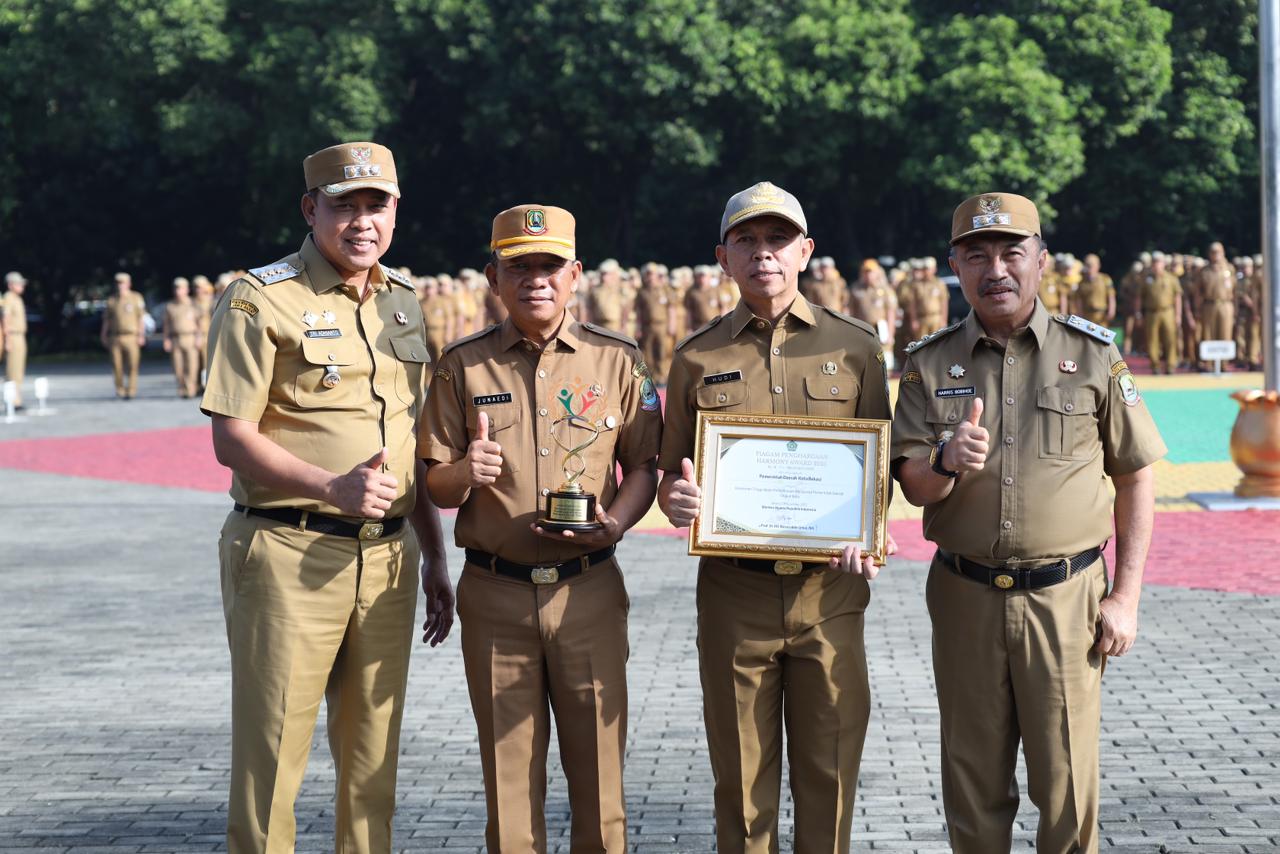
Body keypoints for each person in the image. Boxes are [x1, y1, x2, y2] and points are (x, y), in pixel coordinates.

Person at [891, 192, 1165, 854]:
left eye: (1012, 252)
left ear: (1042, 260)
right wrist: (947, 463)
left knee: (1067, 788)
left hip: (1067, 599)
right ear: (954, 264)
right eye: (976, 255)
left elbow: (1135, 475)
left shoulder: (1092, 355)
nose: (996, 270)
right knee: (973, 785)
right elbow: (911, 483)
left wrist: (1125, 597)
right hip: (965, 597)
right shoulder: (929, 364)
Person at [201, 141, 452, 854]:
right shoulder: (261, 298)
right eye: (346, 207)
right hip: (288, 552)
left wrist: (434, 558)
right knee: (274, 757)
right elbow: (231, 436)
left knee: (373, 762)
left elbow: (406, 442)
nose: (363, 222)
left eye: (378, 206)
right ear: (312, 210)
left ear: (396, 212)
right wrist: (330, 486)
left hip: (389, 561)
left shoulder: (403, 302)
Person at [657, 181, 895, 854]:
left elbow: (878, 461)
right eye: (747, 242)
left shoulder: (856, 348)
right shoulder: (696, 356)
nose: (764, 255)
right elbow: (670, 472)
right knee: (741, 786)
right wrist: (677, 504)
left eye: (778, 241)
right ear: (723, 259)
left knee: (831, 778)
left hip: (832, 592)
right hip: (736, 593)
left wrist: (872, 532)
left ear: (806, 252)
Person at [420, 204, 661, 852]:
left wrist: (617, 523)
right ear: (492, 276)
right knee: (510, 787)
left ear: (576, 273)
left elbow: (644, 464)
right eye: (518, 266)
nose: (536, 279)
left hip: (589, 589)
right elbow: (432, 482)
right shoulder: (462, 366)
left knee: (602, 784)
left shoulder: (618, 362)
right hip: (496, 596)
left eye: (550, 265)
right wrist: (467, 471)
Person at [101, 272, 147, 399]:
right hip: (115, 336)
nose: (120, 285)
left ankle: (131, 390)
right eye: (118, 283)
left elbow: (141, 318)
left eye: (122, 283)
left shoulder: (136, 298)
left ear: (129, 284)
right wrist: (104, 334)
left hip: (132, 336)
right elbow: (107, 320)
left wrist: (141, 335)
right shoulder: (112, 300)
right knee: (117, 365)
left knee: (133, 364)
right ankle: (120, 389)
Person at [1135, 253, 1182, 375]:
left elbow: (1177, 297)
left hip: (1168, 311)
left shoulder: (1171, 278)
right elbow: (1139, 297)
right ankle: (1155, 365)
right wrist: (1138, 313)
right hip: (1151, 313)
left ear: (1163, 264)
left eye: (1159, 262)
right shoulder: (1146, 279)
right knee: (1152, 340)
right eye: (1154, 262)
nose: (1156, 264)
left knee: (1170, 339)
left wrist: (1178, 315)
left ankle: (1171, 365)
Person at [162, 276, 202, 397]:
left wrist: (199, 337)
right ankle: (182, 388)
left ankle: (191, 389)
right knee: (177, 367)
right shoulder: (170, 306)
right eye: (175, 288)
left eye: (180, 288)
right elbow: (166, 325)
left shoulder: (193, 304)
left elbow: (199, 323)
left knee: (192, 366)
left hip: (190, 337)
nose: (177, 291)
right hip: (175, 338)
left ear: (186, 289)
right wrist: (166, 339)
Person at [1, 271, 28, 408]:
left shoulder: (17, 298)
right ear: (11, 284)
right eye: (19, 283)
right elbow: (5, 320)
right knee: (12, 371)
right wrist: (7, 340)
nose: (22, 286)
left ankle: (16, 399)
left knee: (18, 371)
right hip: (13, 336)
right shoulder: (9, 298)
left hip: (20, 336)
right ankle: (12, 401)